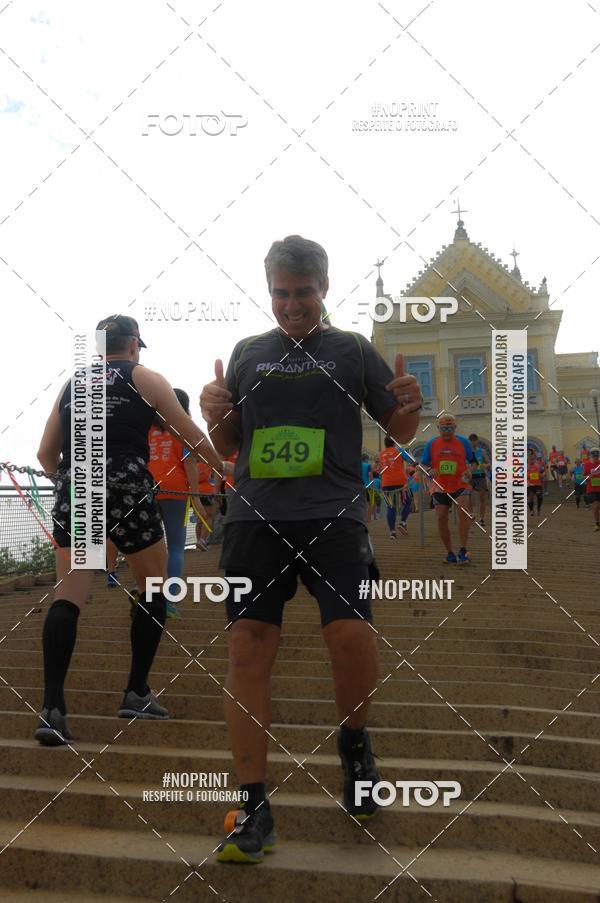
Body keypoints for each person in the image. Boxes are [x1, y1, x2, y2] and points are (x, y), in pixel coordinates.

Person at [199, 234, 422, 863]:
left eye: (303, 293)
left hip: (334, 514)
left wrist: (409, 405)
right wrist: (217, 411)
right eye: (280, 294)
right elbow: (227, 447)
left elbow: (396, 431)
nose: (292, 306)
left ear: (323, 289)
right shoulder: (247, 352)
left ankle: (355, 746)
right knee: (247, 648)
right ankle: (251, 808)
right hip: (255, 517)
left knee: (350, 635)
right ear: (268, 290)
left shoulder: (352, 349)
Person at [34, 315, 226, 745]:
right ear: (135, 344)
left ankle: (52, 709)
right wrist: (224, 469)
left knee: (69, 594)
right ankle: (136, 691)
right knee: (155, 588)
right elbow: (189, 435)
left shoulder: (73, 384)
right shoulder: (145, 377)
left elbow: (46, 454)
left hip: (77, 486)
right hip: (128, 486)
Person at [148, 389, 204, 619]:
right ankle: (169, 602)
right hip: (177, 492)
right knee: (176, 547)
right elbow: (189, 463)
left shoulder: (146, 428)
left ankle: (148, 595)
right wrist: (196, 497)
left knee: (150, 546)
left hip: (147, 490)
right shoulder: (182, 428)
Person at [420, 414, 474, 564]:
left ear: (455, 428)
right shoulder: (432, 444)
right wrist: (429, 469)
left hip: (460, 484)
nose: (447, 431)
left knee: (463, 512)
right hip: (440, 486)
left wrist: (470, 470)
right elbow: (423, 464)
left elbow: (474, 461)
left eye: (450, 428)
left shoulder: (464, 442)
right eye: (444, 428)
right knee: (441, 517)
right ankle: (449, 552)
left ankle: (463, 549)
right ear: (438, 428)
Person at [379, 436, 413, 538]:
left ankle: (392, 532)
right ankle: (402, 522)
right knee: (408, 502)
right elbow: (412, 461)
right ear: (394, 442)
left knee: (391, 507)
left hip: (386, 484)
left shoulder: (381, 454)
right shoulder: (399, 451)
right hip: (400, 483)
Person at [468, 434, 490, 527]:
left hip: (480, 476)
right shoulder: (467, 452)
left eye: (474, 440)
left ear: (477, 441)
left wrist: (484, 465)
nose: (473, 442)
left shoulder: (482, 451)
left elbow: (489, 463)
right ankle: (471, 515)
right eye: (471, 440)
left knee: (482, 498)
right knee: (469, 498)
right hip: (470, 477)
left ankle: (482, 518)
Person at [195, 460, 215, 550]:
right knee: (209, 517)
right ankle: (202, 540)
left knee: (200, 519)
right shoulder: (209, 464)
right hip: (207, 492)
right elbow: (212, 478)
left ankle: (198, 540)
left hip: (196, 494)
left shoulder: (195, 465)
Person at [582, 447, 600, 530]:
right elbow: (583, 477)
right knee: (596, 506)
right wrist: (588, 476)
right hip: (592, 489)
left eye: (597, 456)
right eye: (594, 456)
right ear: (591, 456)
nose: (596, 458)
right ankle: (597, 524)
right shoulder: (586, 464)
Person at [526, 447, 545, 517]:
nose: (531, 460)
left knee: (539, 497)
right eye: (530, 459)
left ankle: (538, 508)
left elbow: (543, 472)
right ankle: (531, 511)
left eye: (533, 459)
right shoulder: (526, 467)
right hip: (530, 485)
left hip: (537, 484)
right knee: (530, 498)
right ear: (528, 460)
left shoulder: (538, 466)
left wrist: (542, 475)